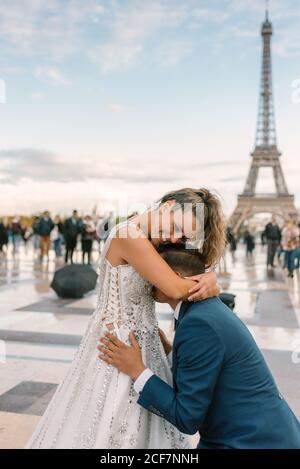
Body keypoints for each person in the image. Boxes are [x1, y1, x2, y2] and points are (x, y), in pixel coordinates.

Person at [26, 187, 223, 449]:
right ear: (168, 205)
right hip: (120, 343)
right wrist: (212, 282)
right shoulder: (128, 235)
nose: (175, 237)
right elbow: (176, 288)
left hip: (140, 343)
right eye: (176, 226)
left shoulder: (147, 237)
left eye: (183, 235)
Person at [100, 247, 300, 449]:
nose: (149, 277)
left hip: (250, 441)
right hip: (259, 432)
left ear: (175, 277)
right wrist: (170, 351)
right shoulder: (205, 309)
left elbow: (186, 418)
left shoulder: (199, 324)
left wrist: (137, 370)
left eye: (155, 271)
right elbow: (209, 369)